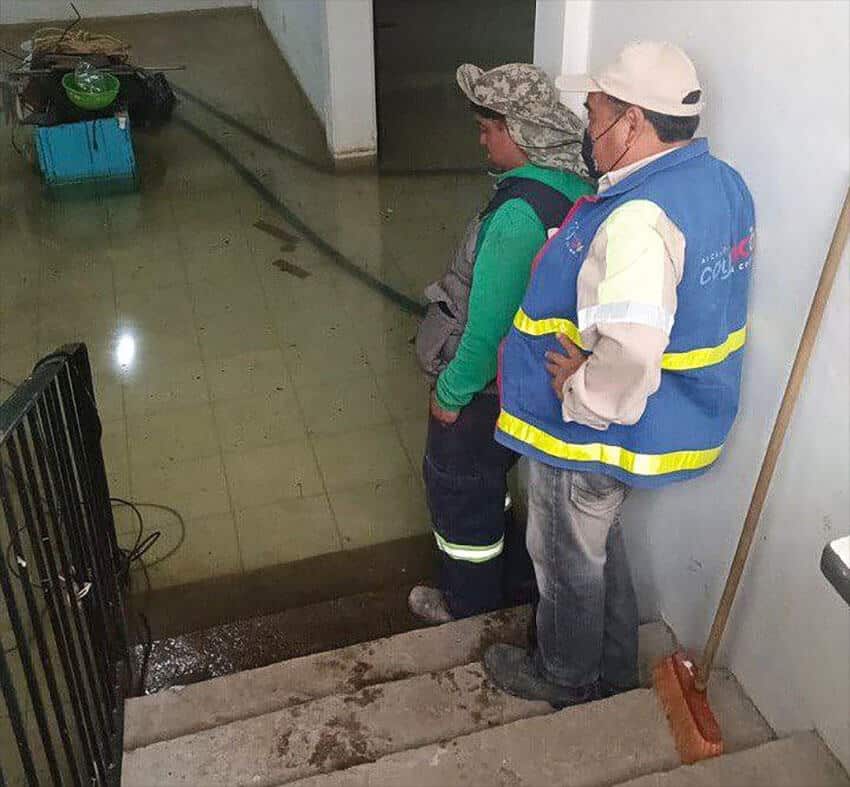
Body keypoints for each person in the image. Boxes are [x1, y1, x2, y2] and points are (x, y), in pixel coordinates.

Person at [484, 42, 755, 707]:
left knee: (566, 553)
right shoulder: (719, 182)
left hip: (591, 427)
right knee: (599, 539)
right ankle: (611, 668)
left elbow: (632, 348)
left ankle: (566, 677)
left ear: (633, 123)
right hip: (664, 418)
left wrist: (582, 389)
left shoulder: (638, 219)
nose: (587, 125)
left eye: (595, 110)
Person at [409, 63, 593, 624]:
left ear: (518, 132)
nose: (481, 139)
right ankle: (511, 577)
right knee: (495, 479)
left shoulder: (517, 217)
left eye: (489, 128)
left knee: (460, 487)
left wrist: (451, 391)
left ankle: (467, 605)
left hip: (489, 386)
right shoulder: (576, 188)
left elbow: (488, 331)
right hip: (539, 380)